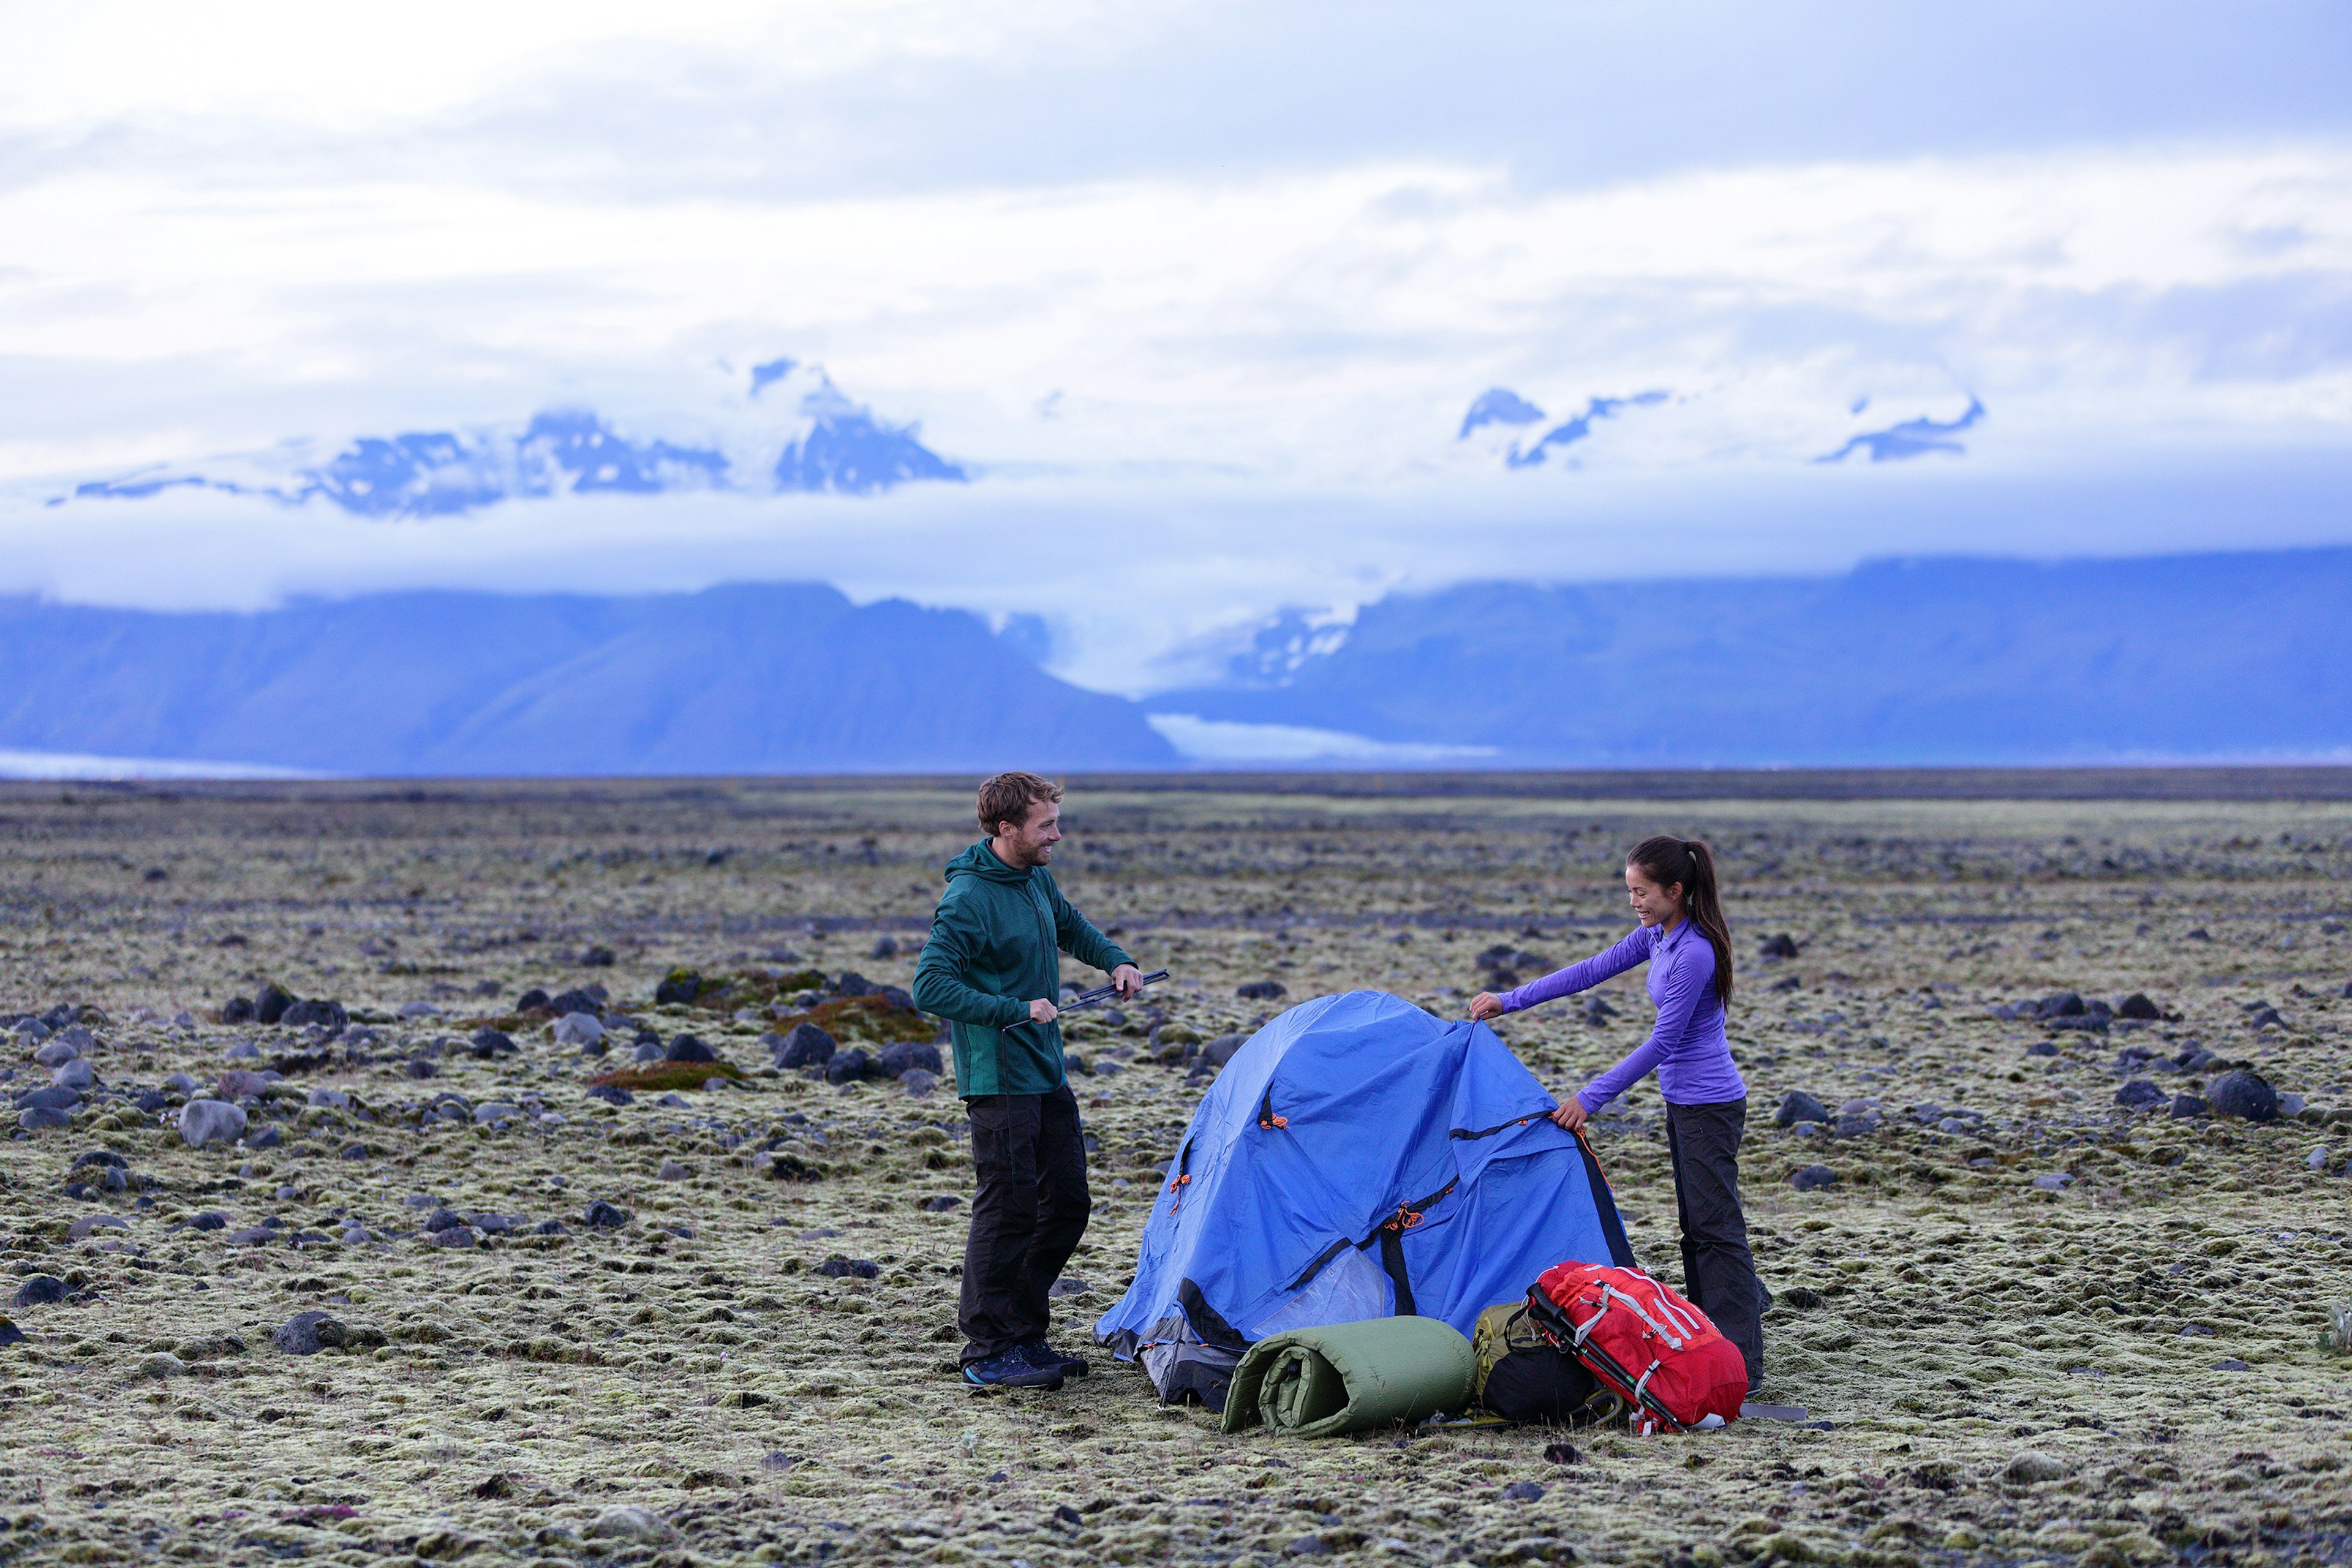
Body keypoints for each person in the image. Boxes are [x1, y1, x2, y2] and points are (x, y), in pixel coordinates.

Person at [1469, 835, 1766, 1392]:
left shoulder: (1695, 952)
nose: (1635, 901)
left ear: (1676, 891)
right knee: (1696, 1229)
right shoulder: (1659, 935)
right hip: (1685, 1103)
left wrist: (1590, 1098)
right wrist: (1509, 1000)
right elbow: (1589, 971)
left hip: (1710, 1106)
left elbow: (1663, 1044)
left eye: (1643, 892)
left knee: (1716, 1231)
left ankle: (1742, 1367)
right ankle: (1713, 1342)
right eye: (1629, 891)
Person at [913, 771, 1144, 1390]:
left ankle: (1023, 1331)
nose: (1057, 835)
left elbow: (1067, 924)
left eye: (1056, 822)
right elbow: (929, 986)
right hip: (999, 1077)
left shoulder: (1035, 875)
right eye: (1046, 826)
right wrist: (1013, 1008)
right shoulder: (967, 899)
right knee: (1008, 1208)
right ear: (1006, 827)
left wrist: (1115, 959)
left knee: (1067, 1202)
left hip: (1043, 1070)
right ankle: (988, 1351)